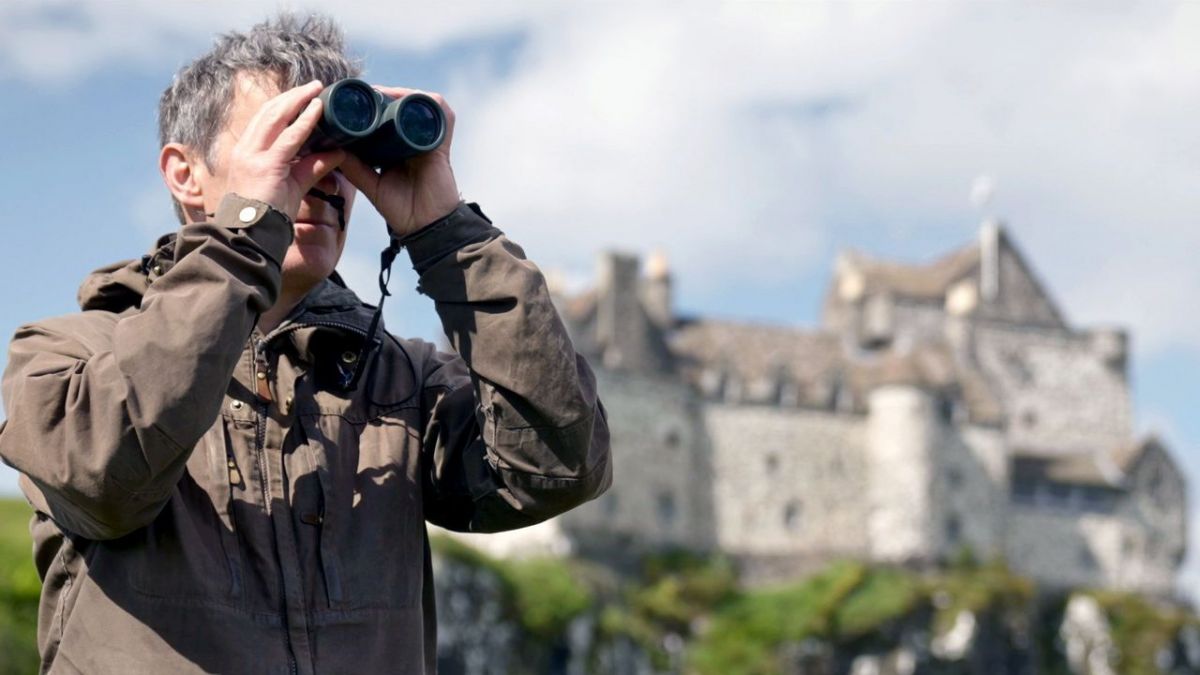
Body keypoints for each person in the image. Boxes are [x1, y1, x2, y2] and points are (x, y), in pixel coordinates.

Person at [0, 14, 611, 674]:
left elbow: (558, 467)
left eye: (339, 148)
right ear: (185, 174)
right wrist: (244, 235)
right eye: (289, 140)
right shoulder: (66, 356)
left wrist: (449, 237)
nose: (321, 175)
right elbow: (105, 478)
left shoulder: (402, 380)